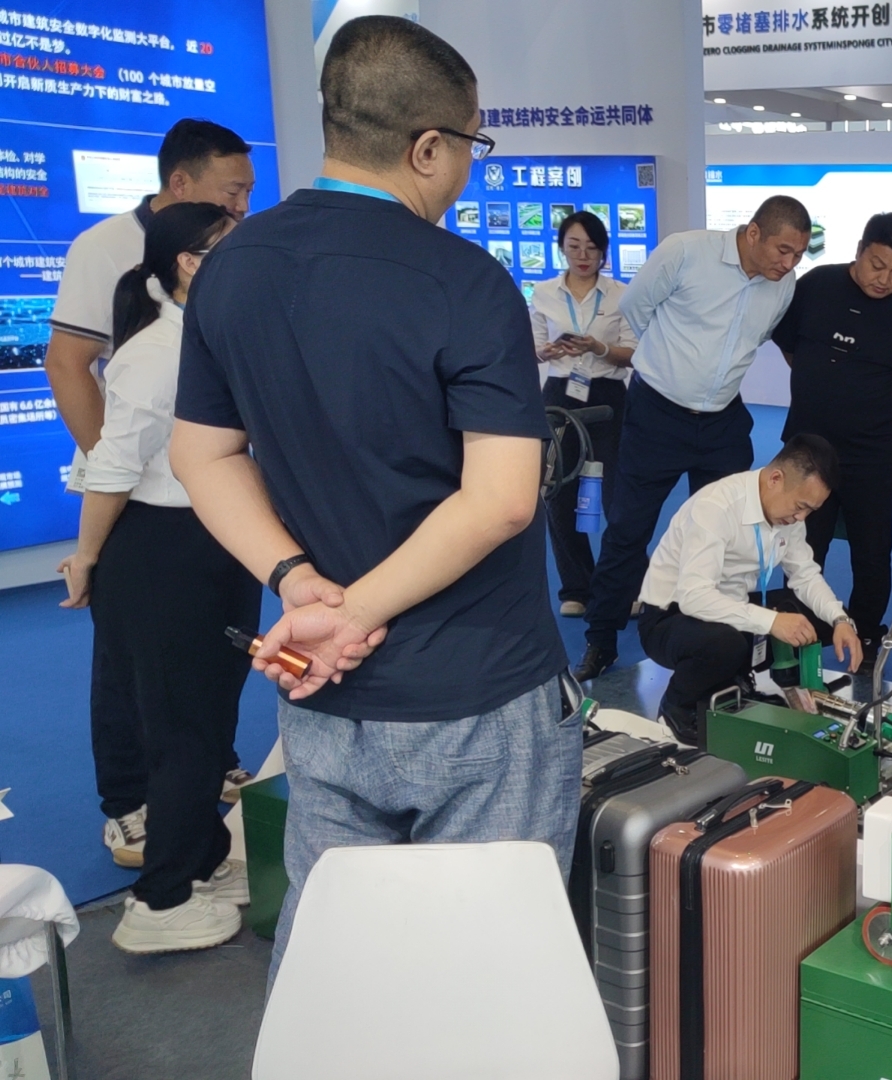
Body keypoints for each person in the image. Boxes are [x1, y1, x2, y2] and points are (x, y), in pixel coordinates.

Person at [169, 15, 574, 984]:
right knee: (486, 980)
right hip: (477, 688)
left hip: (323, 690)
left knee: (336, 970)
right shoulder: (465, 280)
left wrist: (296, 583)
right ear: (427, 147)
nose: (469, 165)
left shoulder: (233, 267)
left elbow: (200, 456)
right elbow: (502, 501)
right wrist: (352, 613)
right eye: (471, 144)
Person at [46, 117, 255, 870]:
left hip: (214, 518)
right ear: (181, 184)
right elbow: (69, 366)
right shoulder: (111, 261)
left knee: (210, 669)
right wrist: (123, 483)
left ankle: (201, 782)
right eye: (232, 194)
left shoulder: (212, 314)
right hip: (151, 517)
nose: (243, 209)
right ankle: (133, 807)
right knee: (138, 676)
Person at [572, 195, 814, 681]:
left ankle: (725, 641)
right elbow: (636, 309)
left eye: (799, 255)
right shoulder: (685, 252)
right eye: (783, 250)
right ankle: (601, 640)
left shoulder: (782, 286)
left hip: (723, 420)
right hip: (656, 414)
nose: (789, 264)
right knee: (628, 529)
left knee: (735, 532)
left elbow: (755, 337)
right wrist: (673, 361)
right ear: (753, 233)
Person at [771, 212, 892, 661]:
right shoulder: (816, 286)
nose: (885, 279)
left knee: (872, 550)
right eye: (877, 265)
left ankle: (866, 633)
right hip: (806, 449)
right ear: (859, 251)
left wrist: (876, 391)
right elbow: (790, 345)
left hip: (872, 451)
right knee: (801, 543)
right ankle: (797, 630)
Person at [635, 435, 862, 741]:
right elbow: (694, 597)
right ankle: (678, 705)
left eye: (810, 511)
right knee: (725, 644)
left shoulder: (790, 516)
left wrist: (840, 620)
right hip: (670, 617)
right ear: (775, 479)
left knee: (817, 618)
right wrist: (772, 621)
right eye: (800, 507)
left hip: (730, 606)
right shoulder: (716, 507)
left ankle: (737, 683)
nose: (801, 518)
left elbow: (805, 575)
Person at [531, 210, 637, 617]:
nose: (582, 255)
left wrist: (598, 348)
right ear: (561, 248)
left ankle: (626, 587)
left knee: (618, 498)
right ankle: (576, 588)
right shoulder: (544, 292)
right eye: (574, 246)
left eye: (591, 248)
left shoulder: (620, 294)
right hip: (559, 393)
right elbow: (532, 348)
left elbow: (632, 354)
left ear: (604, 252)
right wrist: (548, 351)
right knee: (559, 494)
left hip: (608, 395)